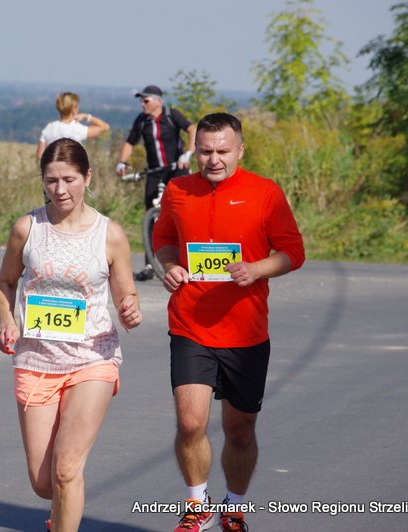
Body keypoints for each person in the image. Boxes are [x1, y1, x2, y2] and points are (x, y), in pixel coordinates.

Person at [152, 113, 305, 532]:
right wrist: (170, 265)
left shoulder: (265, 192)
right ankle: (196, 503)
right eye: (205, 151)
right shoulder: (179, 190)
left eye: (222, 151)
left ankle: (233, 507)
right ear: (195, 150)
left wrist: (257, 269)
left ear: (240, 150)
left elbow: (293, 251)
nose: (214, 159)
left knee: (239, 431)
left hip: (245, 332)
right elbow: (163, 239)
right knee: (190, 424)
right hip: (190, 326)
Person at [0, 137, 141, 532]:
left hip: (93, 358)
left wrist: (129, 308)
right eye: (51, 180)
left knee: (66, 469)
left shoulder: (109, 234)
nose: (60, 190)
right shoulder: (28, 228)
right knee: (44, 483)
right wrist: (7, 321)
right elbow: (5, 282)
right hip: (36, 359)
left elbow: (125, 293)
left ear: (87, 177)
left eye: (69, 179)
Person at [114, 84, 197, 281]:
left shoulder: (171, 115)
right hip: (154, 171)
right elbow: (130, 142)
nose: (142, 104)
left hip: (176, 168)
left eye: (145, 100)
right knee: (150, 216)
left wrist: (188, 153)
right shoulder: (142, 121)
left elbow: (192, 128)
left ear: (158, 101)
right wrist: (121, 162)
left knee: (181, 212)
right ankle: (149, 264)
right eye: (141, 101)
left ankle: (187, 258)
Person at [35, 92, 110, 159]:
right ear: (74, 109)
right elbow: (105, 127)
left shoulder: (49, 128)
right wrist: (86, 116)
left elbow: (39, 155)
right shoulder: (77, 128)